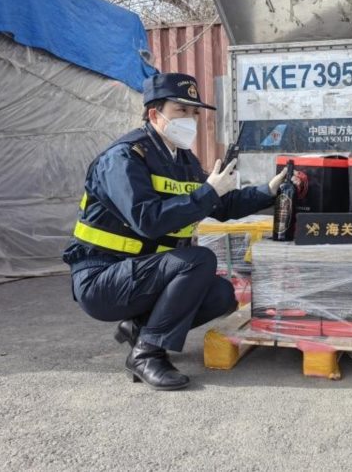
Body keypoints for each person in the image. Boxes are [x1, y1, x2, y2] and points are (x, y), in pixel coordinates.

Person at [63, 72, 290, 391]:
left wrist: (267, 190)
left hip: (145, 274)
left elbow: (219, 205)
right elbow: (148, 219)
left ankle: (139, 328)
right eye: (181, 111)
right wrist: (208, 193)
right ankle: (146, 354)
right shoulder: (124, 158)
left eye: (194, 112)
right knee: (198, 260)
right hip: (102, 277)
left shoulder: (182, 160)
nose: (191, 119)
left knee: (222, 295)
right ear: (155, 114)